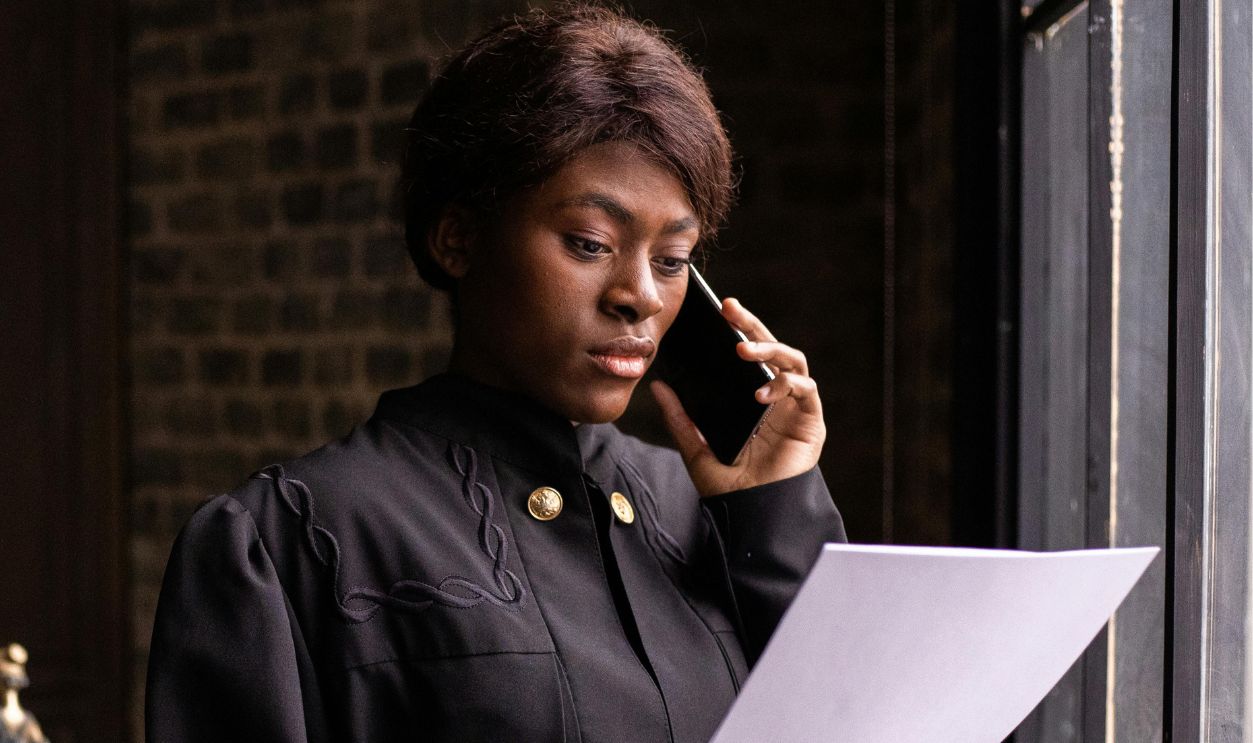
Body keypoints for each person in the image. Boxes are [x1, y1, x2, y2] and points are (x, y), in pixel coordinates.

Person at [145, 6, 846, 742]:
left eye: (672, 260)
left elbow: (855, 720)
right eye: (588, 242)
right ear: (458, 239)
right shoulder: (289, 539)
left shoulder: (704, 515)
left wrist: (772, 513)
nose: (638, 292)